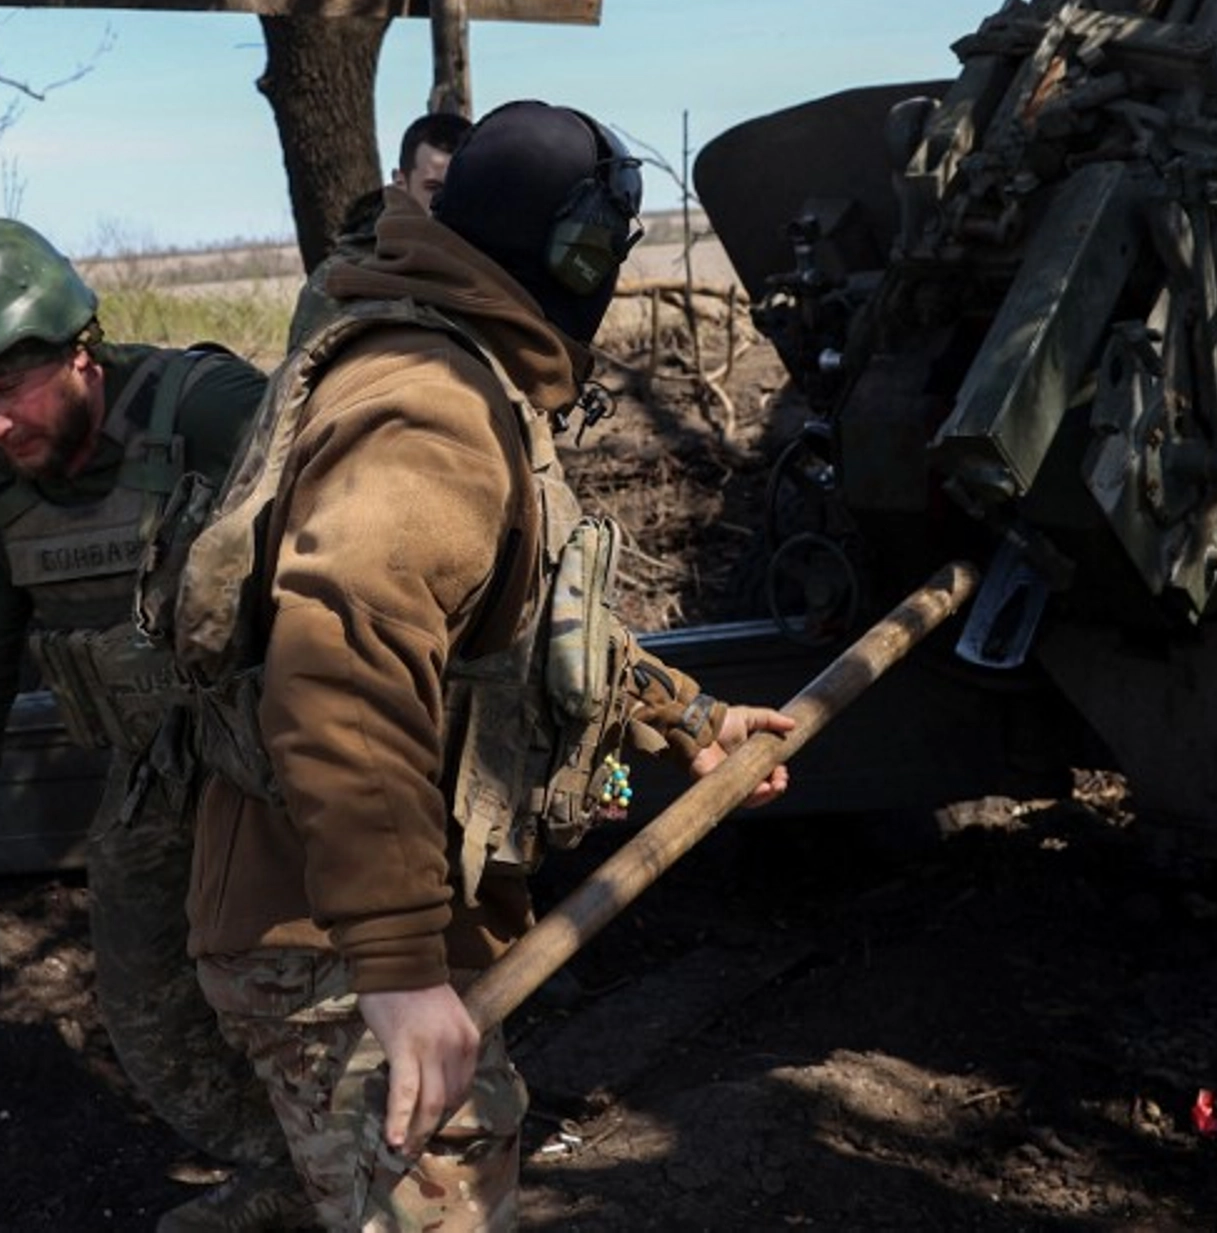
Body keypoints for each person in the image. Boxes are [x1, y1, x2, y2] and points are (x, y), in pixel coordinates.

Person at [184, 99, 796, 1230]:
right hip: (329, 941)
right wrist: (399, 965)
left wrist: (690, 720)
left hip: (349, 919)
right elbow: (341, 660)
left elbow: (525, 629)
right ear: (573, 255)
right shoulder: (434, 405)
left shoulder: (460, 369)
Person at [0, 219, 304, 1233]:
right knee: (154, 1018)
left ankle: (378, 1157)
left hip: (291, 770)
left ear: (78, 349)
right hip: (155, 776)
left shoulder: (207, 409)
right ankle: (296, 1167)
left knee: (301, 991)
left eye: (3, 392)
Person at [285, 111, 471, 350]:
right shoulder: (339, 279)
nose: (446, 203)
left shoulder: (501, 267)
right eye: (433, 188)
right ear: (401, 183)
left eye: (461, 189)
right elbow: (299, 375)